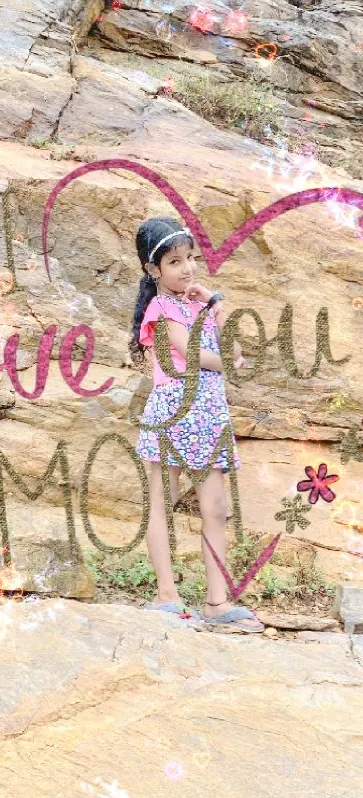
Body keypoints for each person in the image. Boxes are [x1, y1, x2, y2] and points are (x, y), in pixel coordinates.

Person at [129, 216, 264, 633]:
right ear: (154, 269)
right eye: (174, 261)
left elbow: (235, 348)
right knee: (160, 503)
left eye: (190, 258)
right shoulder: (160, 307)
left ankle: (216, 601)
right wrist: (232, 364)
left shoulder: (199, 304)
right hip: (173, 411)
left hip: (208, 414)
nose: (187, 268)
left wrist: (216, 304)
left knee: (216, 508)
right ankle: (167, 595)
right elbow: (192, 351)